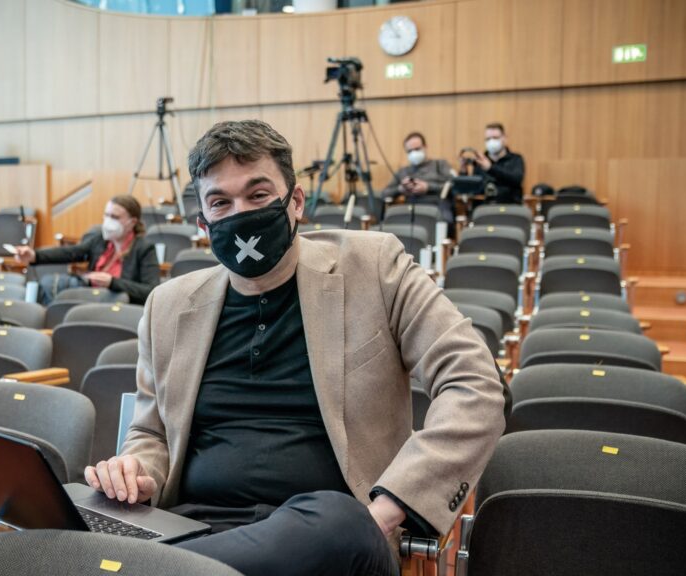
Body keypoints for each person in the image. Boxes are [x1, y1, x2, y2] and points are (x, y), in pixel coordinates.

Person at [84, 120, 506, 575]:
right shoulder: (168, 306)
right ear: (203, 223)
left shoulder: (376, 267)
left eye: (258, 194)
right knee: (65, 513)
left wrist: (385, 511)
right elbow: (151, 434)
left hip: (335, 537)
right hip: (194, 527)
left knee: (336, 521)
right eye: (221, 202)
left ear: (296, 201)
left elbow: (475, 385)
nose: (240, 213)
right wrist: (134, 471)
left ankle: (145, 569)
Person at [14, 195, 159, 305]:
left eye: (114, 217)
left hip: (120, 307)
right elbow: (71, 252)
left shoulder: (144, 249)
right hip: (91, 299)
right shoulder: (100, 240)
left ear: (132, 222)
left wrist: (112, 283)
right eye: (106, 215)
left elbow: (151, 291)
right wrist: (34, 255)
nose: (108, 221)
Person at [381, 131, 455, 223]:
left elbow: (454, 185)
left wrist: (428, 187)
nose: (414, 153)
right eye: (410, 151)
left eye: (417, 149)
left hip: (437, 209)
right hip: (411, 211)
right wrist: (400, 189)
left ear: (425, 147)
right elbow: (384, 194)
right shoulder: (403, 171)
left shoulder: (439, 165)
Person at [459, 122, 525, 204]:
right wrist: (463, 171)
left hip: (510, 206)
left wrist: (490, 168)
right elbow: (470, 189)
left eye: (495, 138)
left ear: (504, 138)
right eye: (488, 139)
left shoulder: (515, 159)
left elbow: (516, 179)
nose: (491, 141)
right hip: (483, 208)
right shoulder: (480, 161)